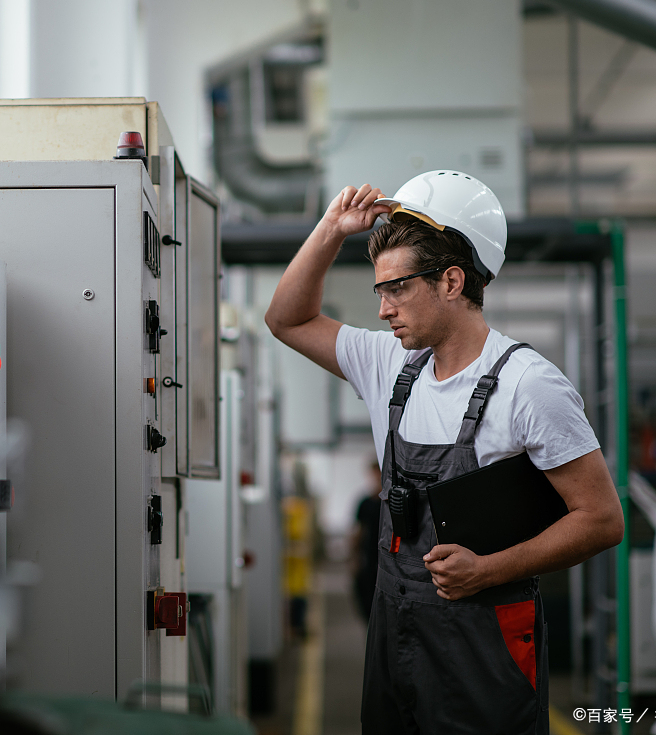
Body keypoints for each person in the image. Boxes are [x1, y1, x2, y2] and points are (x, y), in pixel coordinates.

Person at [264, 172, 624, 734]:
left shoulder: (529, 385)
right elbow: (285, 319)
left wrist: (487, 570)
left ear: (452, 282)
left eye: (396, 288)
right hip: (395, 630)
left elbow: (602, 520)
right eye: (379, 290)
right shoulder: (391, 365)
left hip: (485, 645)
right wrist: (331, 228)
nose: (382, 309)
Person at [350, 460, 382, 621]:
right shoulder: (366, 504)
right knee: (367, 604)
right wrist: (354, 561)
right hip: (369, 561)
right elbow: (358, 533)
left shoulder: (391, 503)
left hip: (386, 560)